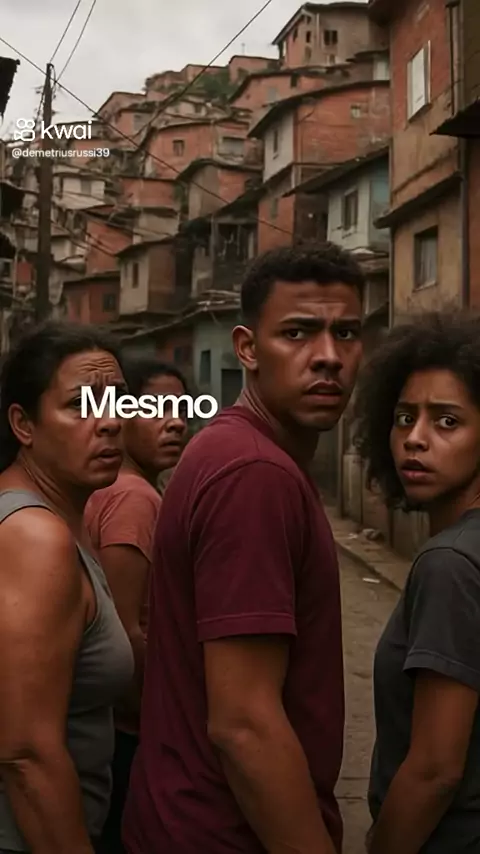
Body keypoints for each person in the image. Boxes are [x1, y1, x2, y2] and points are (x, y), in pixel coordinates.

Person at [123, 243, 365, 854]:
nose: (329, 356)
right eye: (298, 333)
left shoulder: (236, 452)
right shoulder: (254, 474)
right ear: (248, 348)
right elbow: (244, 725)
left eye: (347, 333)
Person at [0, 320, 134, 854]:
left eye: (120, 401)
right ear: (23, 424)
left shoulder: (66, 520)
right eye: (82, 405)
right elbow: (25, 754)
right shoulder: (35, 537)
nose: (110, 422)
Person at [354, 313, 480, 854]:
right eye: (404, 418)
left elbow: (434, 770)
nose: (415, 439)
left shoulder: (449, 563)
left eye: (447, 421)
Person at [84, 357, 188, 853]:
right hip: (128, 732)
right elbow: (125, 632)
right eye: (156, 408)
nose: (176, 422)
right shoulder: (135, 500)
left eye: (181, 408)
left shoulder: (115, 487)